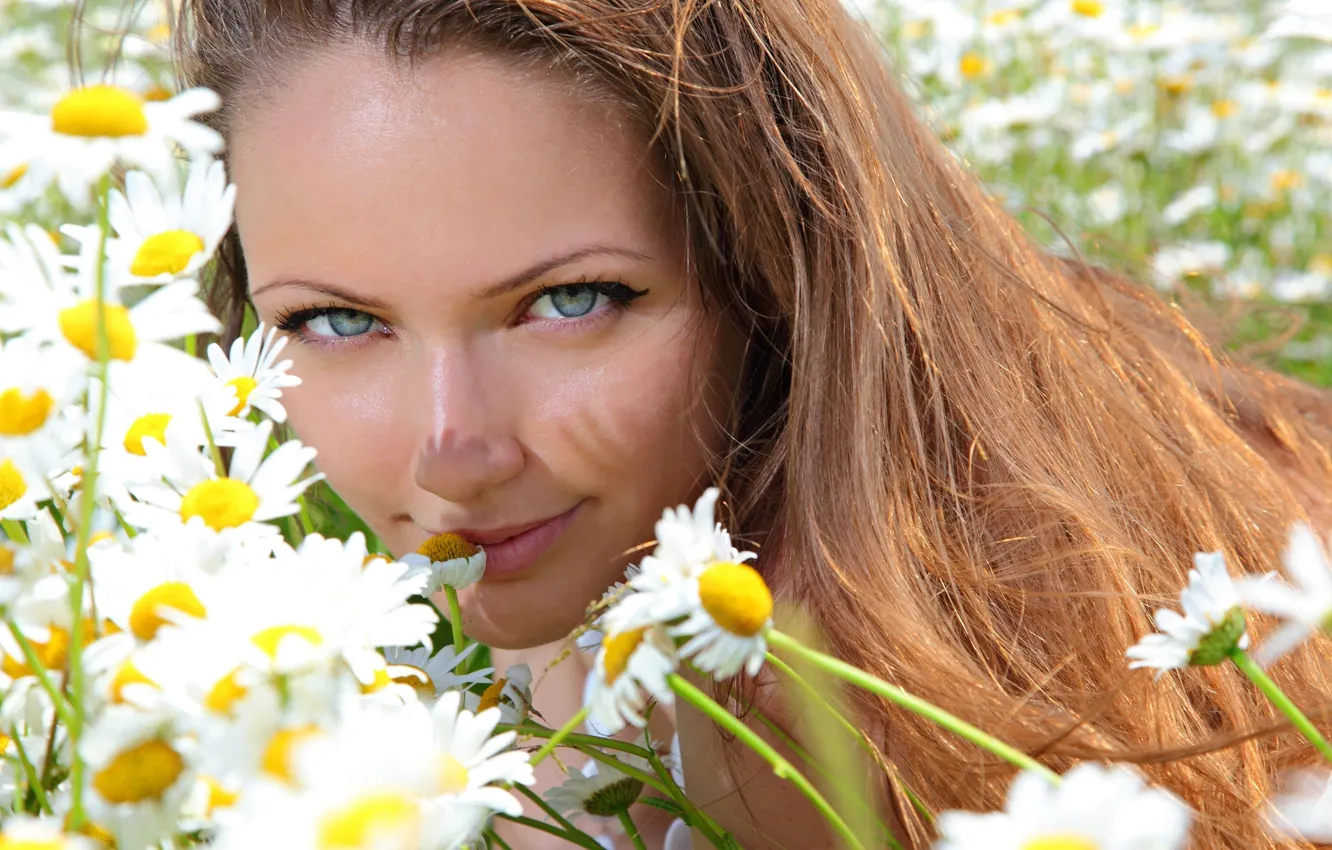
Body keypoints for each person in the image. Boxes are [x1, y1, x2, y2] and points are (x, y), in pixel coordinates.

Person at [174, 0, 1332, 845]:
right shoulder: (615, 544)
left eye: (569, 302)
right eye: (336, 322)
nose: (453, 450)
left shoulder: (800, 704)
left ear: (774, 269)